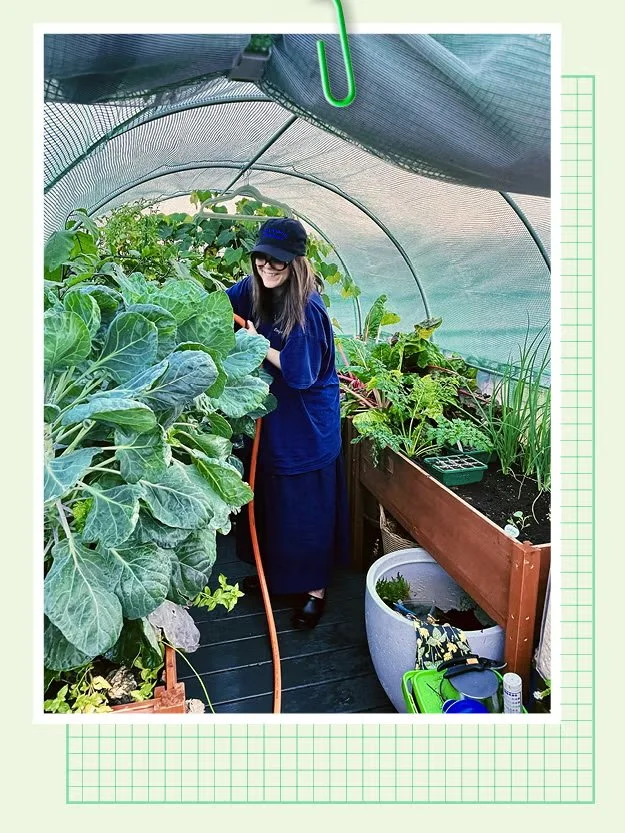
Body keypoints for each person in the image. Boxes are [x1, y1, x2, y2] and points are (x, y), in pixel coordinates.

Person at [225, 217, 349, 629]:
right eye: (262, 258)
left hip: (306, 422)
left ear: (297, 263)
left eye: (278, 262)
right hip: (271, 416)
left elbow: (298, 373)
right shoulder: (254, 288)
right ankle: (271, 577)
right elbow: (219, 306)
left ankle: (315, 590)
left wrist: (254, 343)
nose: (268, 267)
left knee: (305, 508)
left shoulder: (308, 310)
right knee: (270, 501)